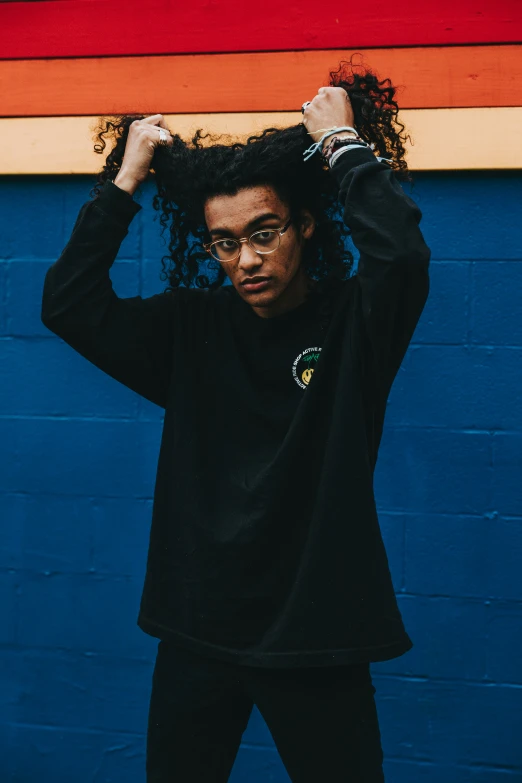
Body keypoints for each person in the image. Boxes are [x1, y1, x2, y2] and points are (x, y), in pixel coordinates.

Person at [41, 66, 431, 782]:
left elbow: (402, 256)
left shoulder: (355, 326)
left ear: (304, 225)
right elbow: (68, 304)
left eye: (264, 232)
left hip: (317, 636)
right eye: (225, 242)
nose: (246, 259)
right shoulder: (190, 329)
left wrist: (343, 141)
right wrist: (124, 184)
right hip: (198, 631)